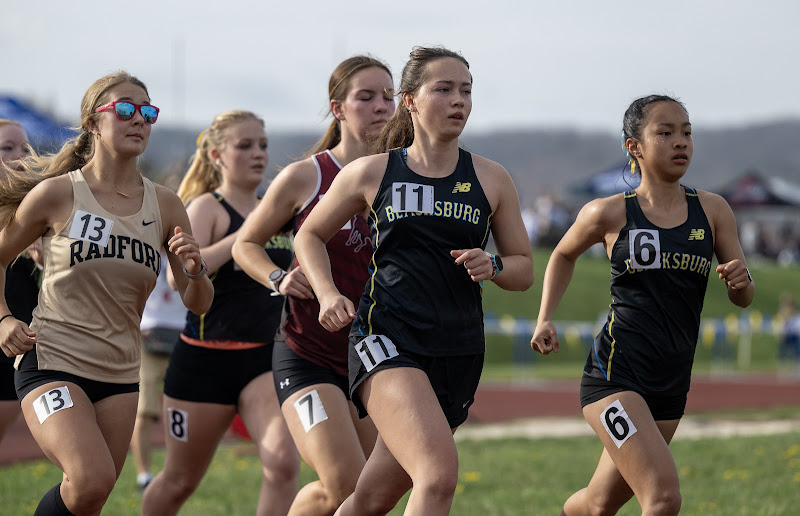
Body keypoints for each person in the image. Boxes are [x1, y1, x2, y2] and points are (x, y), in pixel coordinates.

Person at [293, 46, 534, 515]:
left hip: (458, 348)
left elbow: (523, 267)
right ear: (410, 100)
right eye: (443, 89)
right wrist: (327, 293)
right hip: (386, 338)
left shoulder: (491, 178)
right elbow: (309, 235)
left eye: (466, 90)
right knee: (437, 476)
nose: (458, 100)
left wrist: (495, 265)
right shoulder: (372, 171)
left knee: (372, 497)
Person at [0, 70, 213, 516]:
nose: (139, 119)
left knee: (90, 500)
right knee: (90, 478)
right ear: (92, 123)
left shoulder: (166, 204)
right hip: (52, 360)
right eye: (126, 109)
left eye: (148, 112)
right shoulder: (57, 194)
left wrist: (195, 272)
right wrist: (3, 318)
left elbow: (198, 303)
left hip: (119, 374)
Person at [530, 94, 755, 516]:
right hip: (615, 376)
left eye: (686, 132)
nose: (680, 141)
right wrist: (545, 318)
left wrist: (742, 283)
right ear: (634, 146)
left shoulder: (713, 211)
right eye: (665, 133)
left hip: (671, 381)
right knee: (663, 497)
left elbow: (743, 297)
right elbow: (562, 254)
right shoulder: (608, 213)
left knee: (597, 505)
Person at [232, 55, 395, 516]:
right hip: (307, 354)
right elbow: (246, 244)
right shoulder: (308, 175)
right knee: (344, 483)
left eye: (388, 97)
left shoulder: (402, 178)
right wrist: (278, 277)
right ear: (338, 108)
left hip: (371, 356)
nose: (381, 106)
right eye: (366, 97)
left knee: (373, 494)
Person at [142, 110, 299, 516]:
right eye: (244, 145)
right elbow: (178, 278)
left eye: (262, 145)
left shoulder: (275, 208)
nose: (258, 153)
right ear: (217, 155)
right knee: (178, 482)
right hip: (204, 361)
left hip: (264, 359)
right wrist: (245, 238)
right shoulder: (207, 207)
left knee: (283, 465)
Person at [130, 250, 185, 491]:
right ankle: (144, 475)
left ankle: (179, 471)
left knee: (182, 411)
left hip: (183, 334)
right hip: (147, 335)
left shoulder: (185, 250)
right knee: (144, 410)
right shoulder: (141, 249)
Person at [0, 119, 39, 446]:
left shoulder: (38, 207)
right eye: (7, 148)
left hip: (19, 341)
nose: (20, 155)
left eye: (25, 148)